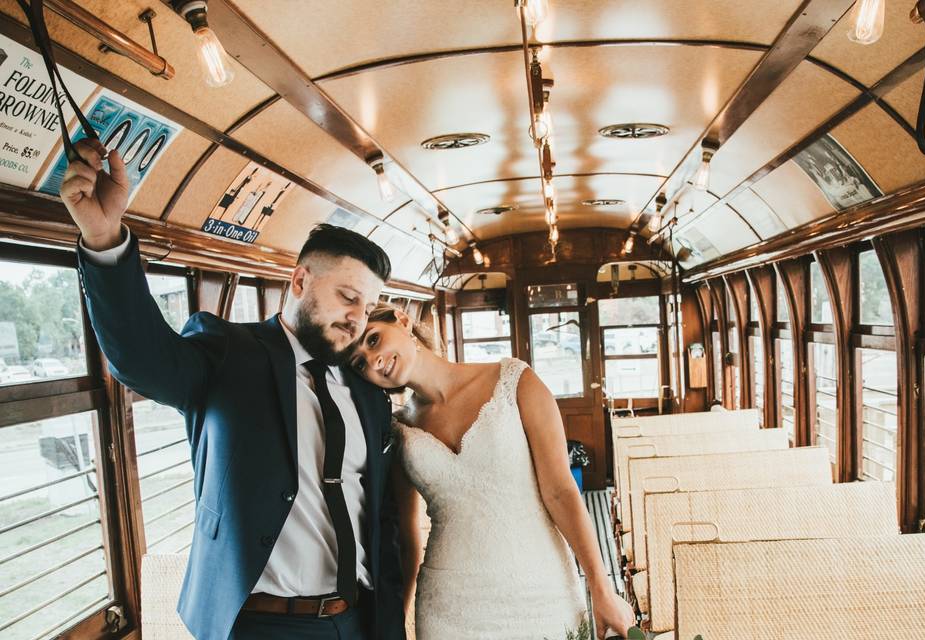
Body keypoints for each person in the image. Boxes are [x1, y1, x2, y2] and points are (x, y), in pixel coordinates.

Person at [59, 138, 404, 640]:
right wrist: (105, 237)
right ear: (300, 281)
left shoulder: (367, 392)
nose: (356, 317)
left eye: (368, 306)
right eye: (348, 297)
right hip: (258, 623)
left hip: (356, 621)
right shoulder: (228, 352)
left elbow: (380, 514)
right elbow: (143, 360)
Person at [349, 304, 637, 640]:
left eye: (372, 340)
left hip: (542, 592)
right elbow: (408, 537)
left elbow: (561, 492)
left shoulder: (515, 382)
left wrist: (602, 589)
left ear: (402, 320)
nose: (372, 360)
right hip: (448, 607)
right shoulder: (399, 431)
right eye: (358, 363)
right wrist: (396, 621)